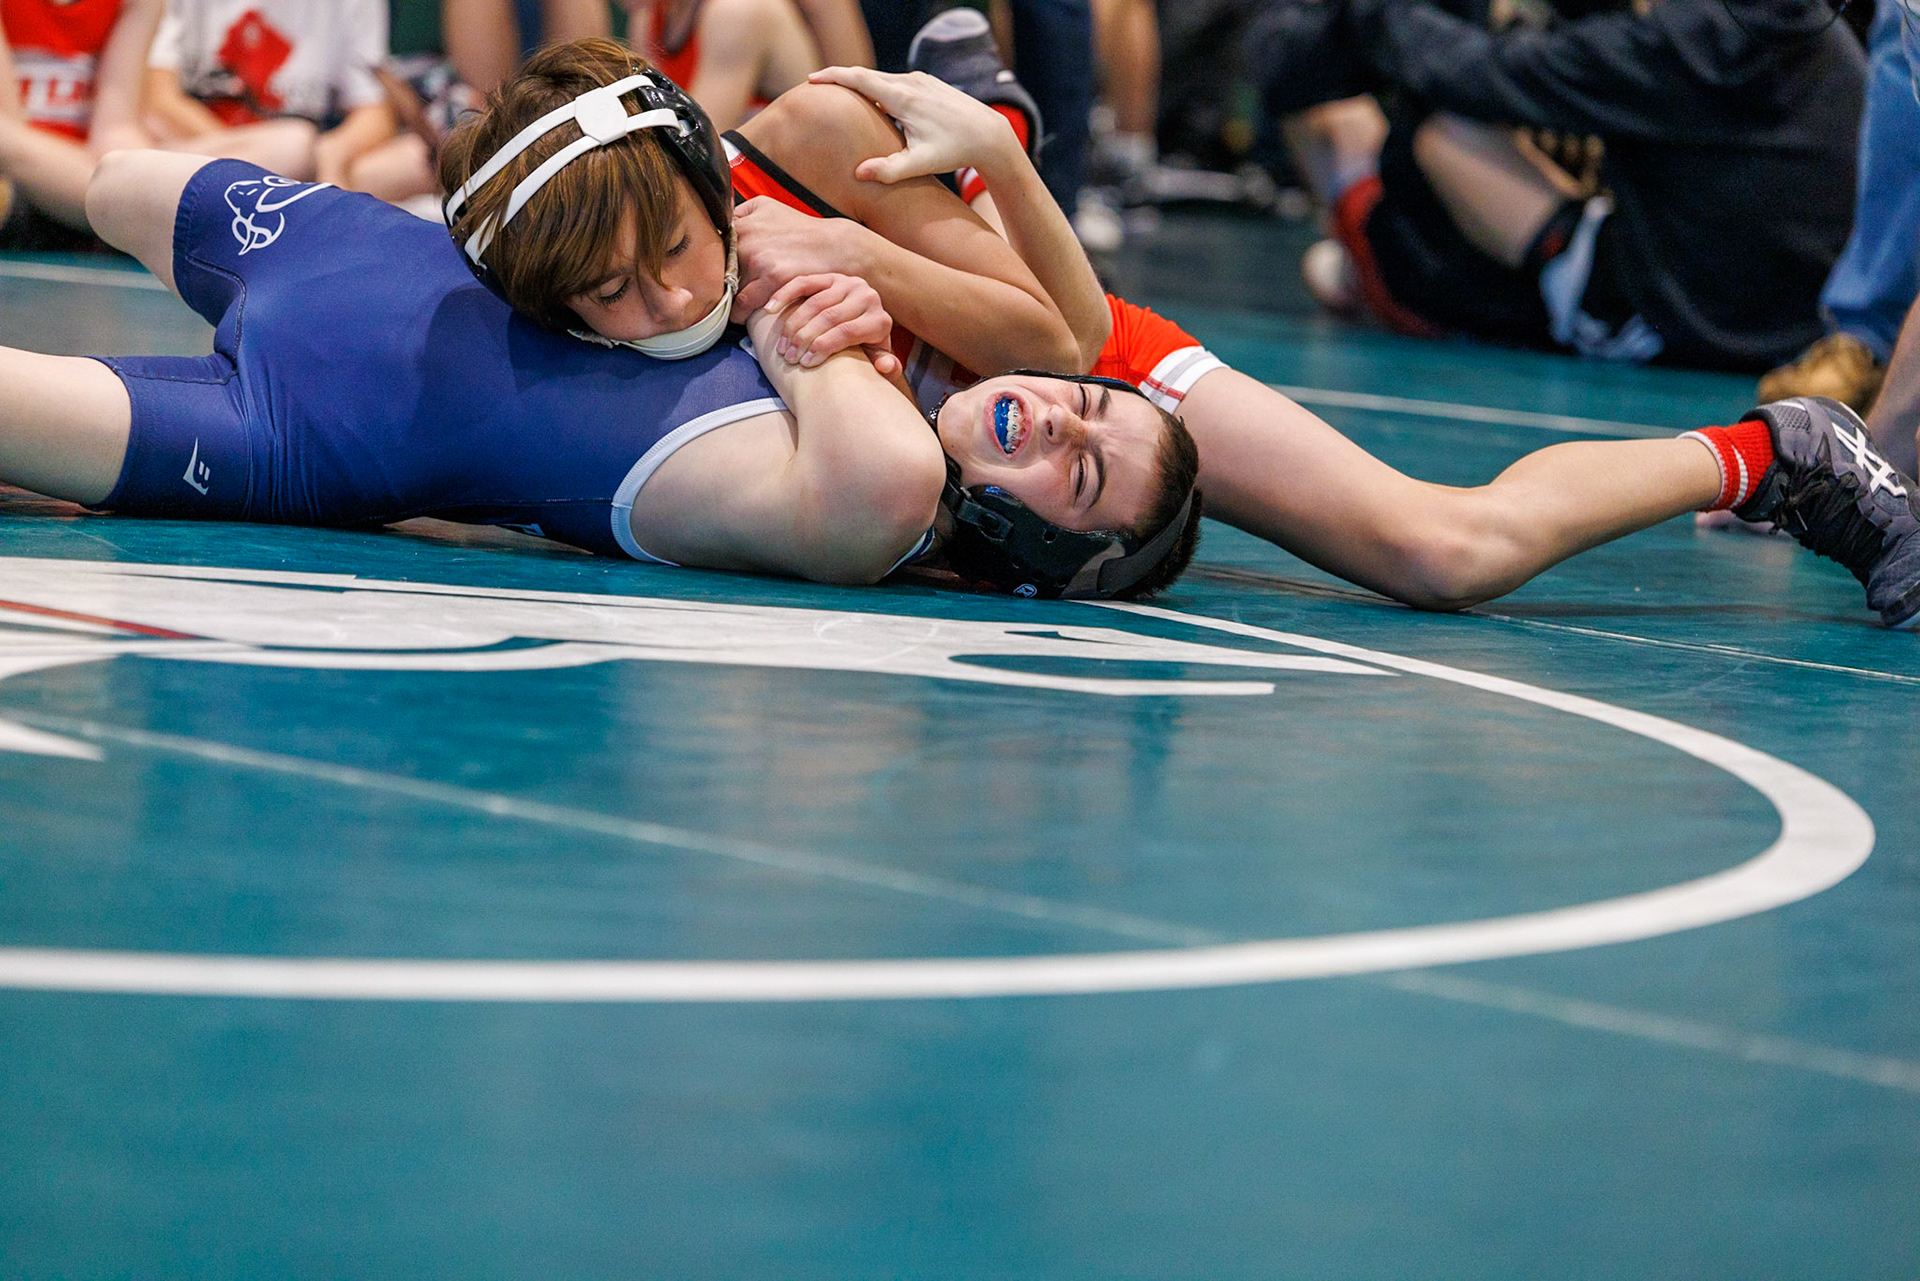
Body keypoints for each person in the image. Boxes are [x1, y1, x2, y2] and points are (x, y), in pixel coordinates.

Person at [446, 34, 1920, 626]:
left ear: (701, 170)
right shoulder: (584, 261)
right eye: (612, 292)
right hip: (953, 441)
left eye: (677, 253)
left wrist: (860, 248)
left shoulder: (806, 143)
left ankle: (1780, 452)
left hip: (1070, 386)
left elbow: (1066, 337)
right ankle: (990, 128)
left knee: (1438, 551)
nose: (663, 299)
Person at [1243, 0, 1864, 371]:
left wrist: (1372, 14)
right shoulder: (1796, 29)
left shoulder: (1688, 44)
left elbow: (1481, 73)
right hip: (1796, 329)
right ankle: (1367, 254)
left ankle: (1371, 263)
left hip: (1679, 326)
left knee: (1431, 134)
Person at [0, 0, 163, 250]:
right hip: (19, 184)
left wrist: (141, 173)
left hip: (80, 179)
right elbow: (11, 142)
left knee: (228, 150)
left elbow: (117, 130)